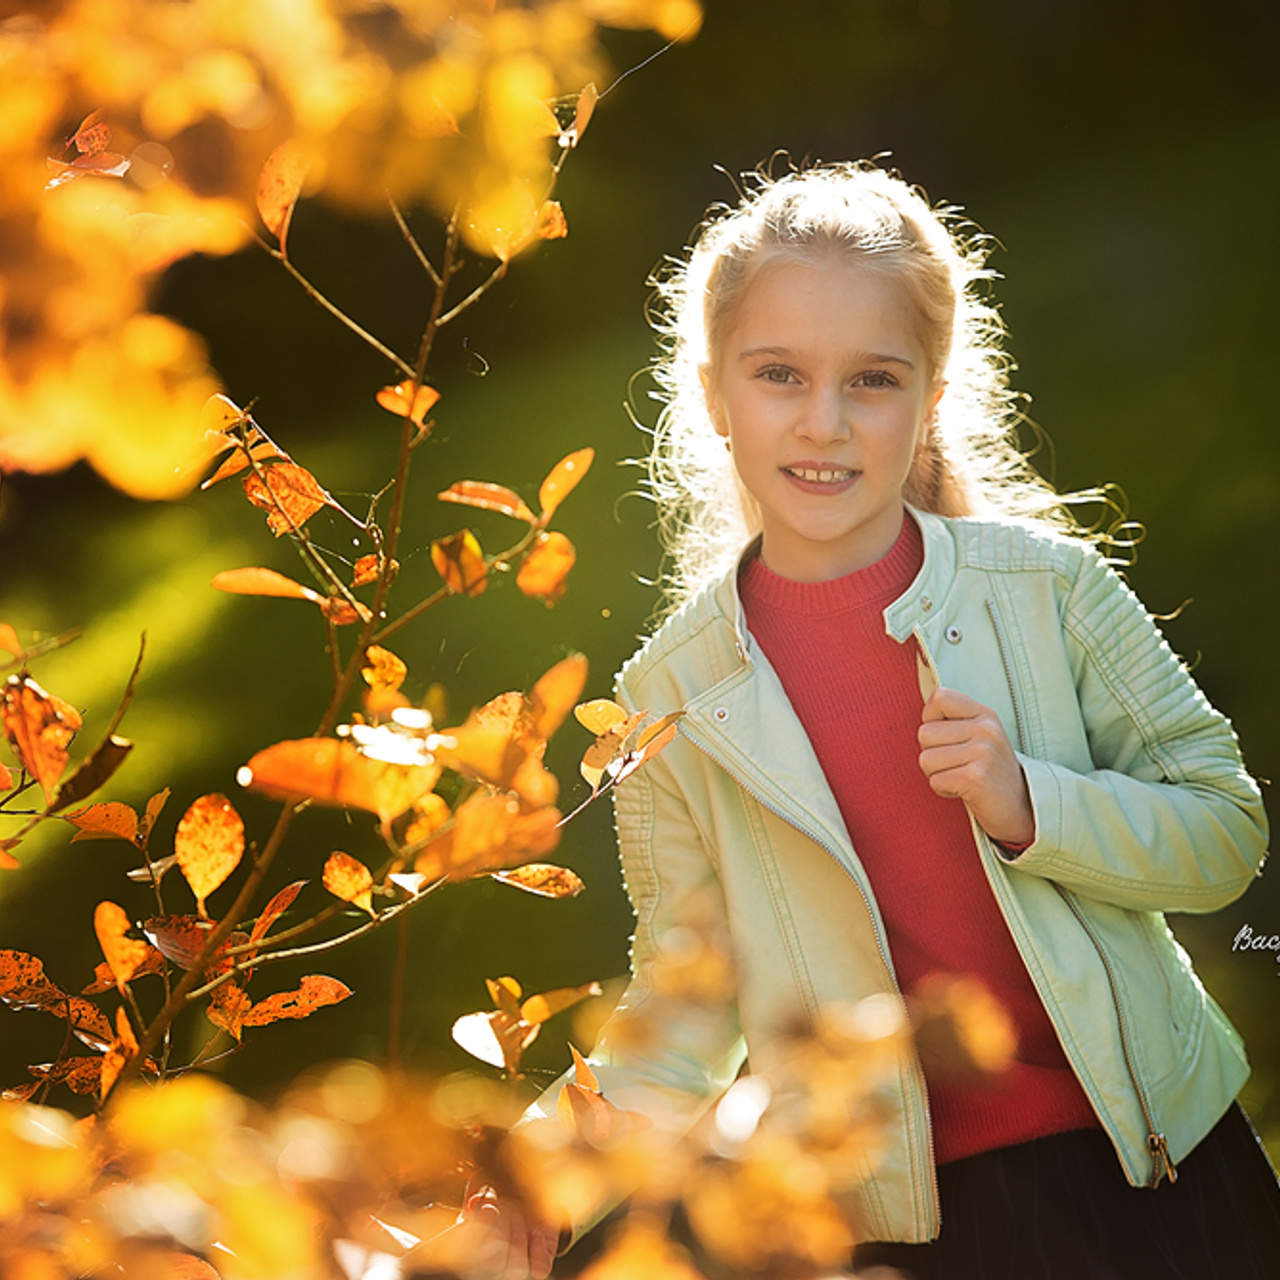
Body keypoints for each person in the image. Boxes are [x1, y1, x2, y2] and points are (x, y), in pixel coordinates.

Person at [502, 162, 1279, 1278]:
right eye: (777, 375)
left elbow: (1224, 832)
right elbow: (687, 999)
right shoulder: (670, 693)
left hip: (1160, 1178)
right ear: (715, 393)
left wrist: (1030, 805)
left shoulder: (1046, 589)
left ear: (928, 393)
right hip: (904, 1231)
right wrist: (563, 1145)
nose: (823, 422)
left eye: (870, 379)